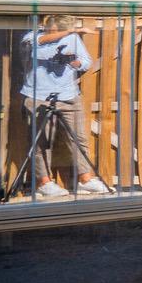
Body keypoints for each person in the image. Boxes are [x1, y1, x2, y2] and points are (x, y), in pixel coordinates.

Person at [18, 15, 110, 200]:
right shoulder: (31, 37)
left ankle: (86, 180)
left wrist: (74, 62)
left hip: (68, 95)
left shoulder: (72, 39)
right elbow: (41, 42)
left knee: (78, 138)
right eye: (54, 28)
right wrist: (71, 31)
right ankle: (44, 183)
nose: (56, 31)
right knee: (40, 142)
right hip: (38, 96)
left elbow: (86, 61)